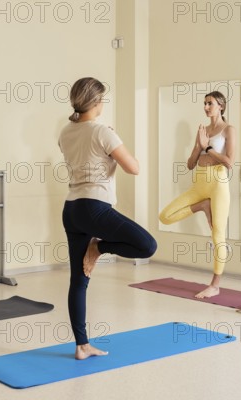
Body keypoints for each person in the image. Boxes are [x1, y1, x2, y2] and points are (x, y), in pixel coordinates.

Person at [59, 77, 157, 360]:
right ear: (95, 102)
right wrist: (112, 142)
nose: (104, 103)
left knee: (79, 279)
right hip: (95, 207)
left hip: (72, 209)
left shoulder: (65, 132)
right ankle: (99, 248)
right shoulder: (103, 131)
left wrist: (107, 145)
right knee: (147, 246)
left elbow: (86, 156)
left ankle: (81, 346)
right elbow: (134, 168)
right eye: (102, 99)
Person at [158, 91, 236, 299]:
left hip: (218, 183)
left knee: (218, 235)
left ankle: (215, 284)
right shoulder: (202, 130)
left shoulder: (228, 130)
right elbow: (191, 164)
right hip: (199, 183)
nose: (206, 107)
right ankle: (202, 206)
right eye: (204, 104)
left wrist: (207, 147)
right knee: (164, 216)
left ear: (221, 105)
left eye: (209, 103)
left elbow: (229, 163)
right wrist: (198, 147)